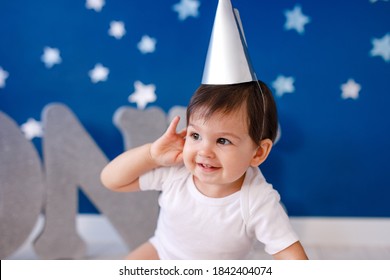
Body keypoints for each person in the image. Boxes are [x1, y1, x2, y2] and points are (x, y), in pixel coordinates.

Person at [100, 80, 308, 260]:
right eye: (196, 136)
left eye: (223, 140)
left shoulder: (258, 200)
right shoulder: (177, 171)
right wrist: (151, 155)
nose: (204, 151)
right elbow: (112, 180)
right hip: (162, 252)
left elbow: (290, 254)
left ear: (258, 153)